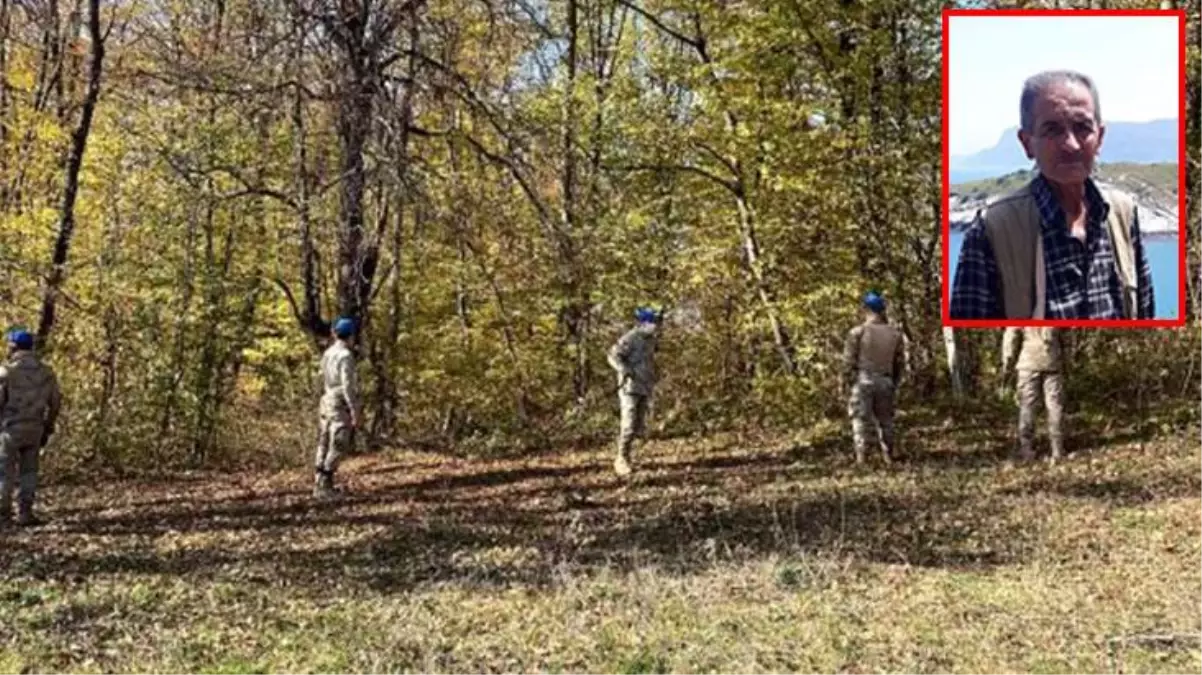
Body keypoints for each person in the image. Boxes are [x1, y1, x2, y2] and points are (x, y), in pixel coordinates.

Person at [949, 69, 1155, 320]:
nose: (1071, 145)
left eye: (1082, 128)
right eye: (1052, 130)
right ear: (1027, 143)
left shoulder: (1122, 214)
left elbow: (1145, 315)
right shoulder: (992, 230)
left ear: (1099, 138)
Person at [0, 328, 62, 526]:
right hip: (35, 428)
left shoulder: (6, 372)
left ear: (13, 347)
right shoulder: (47, 372)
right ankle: (25, 512)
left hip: (10, 428)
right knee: (29, 471)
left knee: (5, 471)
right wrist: (48, 426)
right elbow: (55, 402)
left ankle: (3, 514)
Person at [843, 292, 905, 464]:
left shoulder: (858, 332)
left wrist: (845, 380)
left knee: (860, 420)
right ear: (882, 310)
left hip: (864, 380)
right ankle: (889, 455)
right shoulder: (895, 334)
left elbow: (848, 361)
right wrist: (895, 382)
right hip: (885, 381)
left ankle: (862, 457)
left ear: (866, 309)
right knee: (886, 420)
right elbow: (899, 362)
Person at [606, 307, 661, 476]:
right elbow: (612, 356)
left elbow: (650, 360)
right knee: (628, 424)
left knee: (639, 426)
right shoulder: (630, 338)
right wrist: (624, 369)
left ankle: (628, 456)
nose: (655, 326)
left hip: (644, 386)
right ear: (643, 323)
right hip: (629, 387)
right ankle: (621, 459)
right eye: (652, 322)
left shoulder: (651, 340)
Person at [1000, 326, 1066, 463]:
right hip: (1053, 361)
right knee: (1055, 405)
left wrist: (1008, 364)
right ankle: (1057, 449)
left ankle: (1026, 449)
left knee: (1027, 405)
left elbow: (1010, 338)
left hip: (1028, 363)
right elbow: (1064, 337)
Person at [314, 317, 360, 498]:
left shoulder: (328, 353)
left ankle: (318, 482)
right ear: (351, 335)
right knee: (339, 442)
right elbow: (347, 385)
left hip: (326, 399)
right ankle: (325, 484)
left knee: (324, 440)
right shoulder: (346, 356)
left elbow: (321, 376)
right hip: (338, 401)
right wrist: (354, 409)